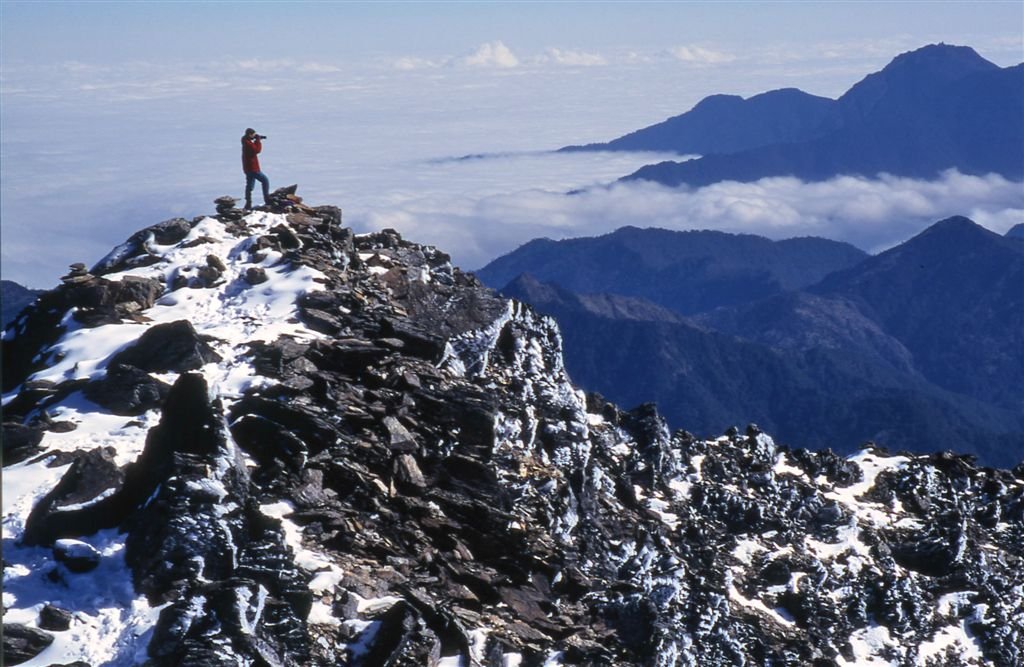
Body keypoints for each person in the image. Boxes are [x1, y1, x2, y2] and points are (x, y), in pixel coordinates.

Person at [241, 128, 270, 210]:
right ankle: (267, 199)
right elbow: (257, 150)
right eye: (253, 134)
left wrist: (256, 139)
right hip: (253, 168)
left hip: (248, 168)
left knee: (250, 185)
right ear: (250, 135)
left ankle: (248, 203)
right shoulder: (248, 143)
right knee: (265, 180)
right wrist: (258, 140)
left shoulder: (245, 141)